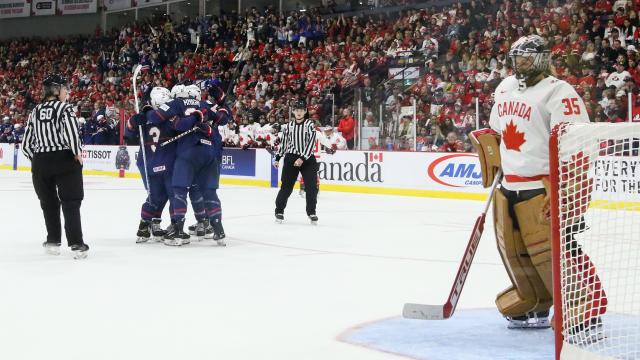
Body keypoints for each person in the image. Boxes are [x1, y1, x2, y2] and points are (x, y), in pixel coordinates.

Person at [473, 35, 607, 333]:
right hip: (509, 185)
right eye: (517, 57)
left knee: (551, 250)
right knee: (514, 249)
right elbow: (497, 132)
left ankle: (584, 307)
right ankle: (535, 300)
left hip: (544, 186)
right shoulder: (505, 87)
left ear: (543, 59)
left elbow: (579, 143)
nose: (520, 62)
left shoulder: (559, 92)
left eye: (527, 57)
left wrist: (571, 188)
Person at [21, 74, 89, 259]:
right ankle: (76, 244)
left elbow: (26, 144)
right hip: (64, 159)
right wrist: (77, 154)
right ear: (56, 90)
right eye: (65, 88)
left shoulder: (35, 111)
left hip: (41, 162)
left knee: (48, 203)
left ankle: (52, 242)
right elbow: (71, 134)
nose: (67, 92)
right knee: (71, 203)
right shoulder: (65, 108)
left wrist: (38, 161)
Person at [274, 99, 319, 224]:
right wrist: (278, 158)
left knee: (311, 187)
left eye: (301, 110)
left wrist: (302, 158)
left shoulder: (309, 124)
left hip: (307, 159)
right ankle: (279, 211)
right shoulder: (288, 126)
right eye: (296, 110)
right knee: (286, 187)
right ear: (293, 111)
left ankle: (311, 212)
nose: (299, 112)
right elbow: (284, 143)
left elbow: (311, 142)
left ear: (305, 111)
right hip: (291, 158)